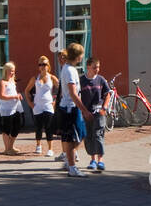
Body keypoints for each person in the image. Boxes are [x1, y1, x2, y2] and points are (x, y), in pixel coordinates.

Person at [58, 43, 89, 177]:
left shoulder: (68, 68)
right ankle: (71, 166)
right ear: (77, 56)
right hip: (70, 108)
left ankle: (69, 160)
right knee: (72, 138)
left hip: (71, 107)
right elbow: (73, 93)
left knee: (80, 134)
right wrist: (85, 110)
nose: (83, 56)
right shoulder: (70, 70)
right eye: (81, 54)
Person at [79, 57, 110, 172]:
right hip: (86, 113)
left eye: (98, 67)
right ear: (88, 67)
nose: (97, 69)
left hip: (99, 112)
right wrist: (83, 111)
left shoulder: (101, 80)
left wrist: (104, 108)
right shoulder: (82, 80)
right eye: (94, 67)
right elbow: (77, 96)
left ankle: (100, 160)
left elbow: (107, 94)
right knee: (89, 136)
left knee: (98, 134)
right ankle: (92, 160)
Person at [24, 56, 58, 156]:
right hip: (37, 105)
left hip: (48, 105)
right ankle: (38, 145)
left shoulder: (52, 77)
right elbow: (26, 91)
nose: (42, 66)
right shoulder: (35, 78)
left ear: (48, 66)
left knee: (48, 127)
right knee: (38, 127)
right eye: (40, 64)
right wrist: (30, 103)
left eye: (44, 64)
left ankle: (50, 149)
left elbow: (61, 90)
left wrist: (55, 101)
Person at [0, 62, 24, 155]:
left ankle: (11, 146)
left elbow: (14, 93)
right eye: (10, 71)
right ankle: (7, 148)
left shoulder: (12, 82)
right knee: (6, 128)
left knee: (18, 125)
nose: (12, 73)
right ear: (5, 71)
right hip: (6, 109)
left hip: (16, 107)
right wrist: (14, 96)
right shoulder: (2, 82)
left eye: (13, 71)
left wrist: (18, 96)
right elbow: (1, 96)